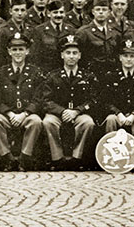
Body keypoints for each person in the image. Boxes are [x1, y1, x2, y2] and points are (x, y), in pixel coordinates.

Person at [0, 33, 47, 172]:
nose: (18, 53)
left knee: (36, 122)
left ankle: (24, 158)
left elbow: (38, 99)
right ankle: (7, 157)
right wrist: (9, 113)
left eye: (21, 49)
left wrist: (25, 114)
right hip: (8, 114)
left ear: (27, 51)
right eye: (14, 49)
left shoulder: (35, 72)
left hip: (26, 114)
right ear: (9, 51)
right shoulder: (0, 73)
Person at [42, 34, 99, 171]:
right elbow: (46, 100)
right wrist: (62, 111)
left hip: (79, 113)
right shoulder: (53, 76)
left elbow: (94, 99)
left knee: (88, 123)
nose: (71, 56)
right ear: (62, 55)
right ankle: (57, 158)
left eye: (75, 53)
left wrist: (77, 111)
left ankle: (76, 158)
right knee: (48, 122)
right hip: (57, 113)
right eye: (68, 53)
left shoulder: (88, 76)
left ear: (80, 55)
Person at [98, 39, 134, 153]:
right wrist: (118, 113)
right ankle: (111, 155)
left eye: (132, 56)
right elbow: (106, 101)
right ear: (120, 58)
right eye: (125, 55)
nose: (129, 59)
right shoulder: (111, 76)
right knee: (110, 119)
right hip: (118, 115)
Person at [76, 0, 122, 74]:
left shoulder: (115, 33)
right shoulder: (83, 32)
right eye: (98, 9)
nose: (101, 12)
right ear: (93, 12)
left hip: (111, 75)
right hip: (91, 74)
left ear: (108, 12)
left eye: (104, 10)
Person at [0, 0, 31, 70]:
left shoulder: (30, 29)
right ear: (10, 11)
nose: (19, 13)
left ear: (26, 12)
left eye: (22, 10)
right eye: (16, 10)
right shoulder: (1, 30)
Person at [29, 0, 73, 72]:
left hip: (65, 71)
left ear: (65, 14)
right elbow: (35, 55)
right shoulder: (39, 30)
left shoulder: (70, 30)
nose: (59, 15)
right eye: (55, 12)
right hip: (46, 71)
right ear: (49, 14)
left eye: (61, 12)